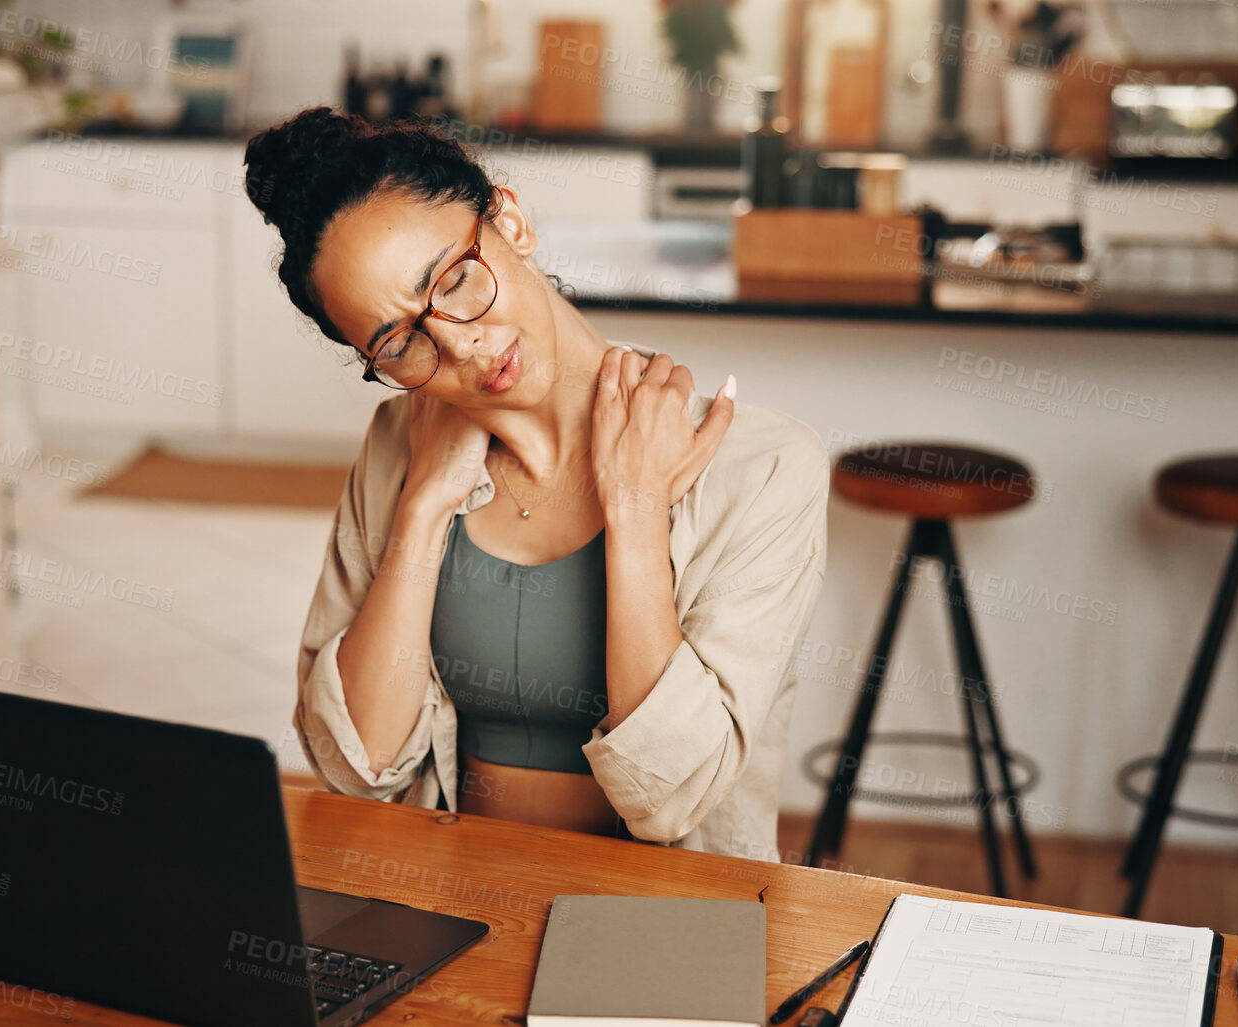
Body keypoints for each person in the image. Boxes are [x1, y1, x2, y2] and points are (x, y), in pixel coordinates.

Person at [244, 107, 829, 861]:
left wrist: (637, 511)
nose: (458, 341)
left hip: (669, 921)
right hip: (445, 897)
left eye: (453, 280)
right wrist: (422, 507)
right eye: (398, 342)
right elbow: (358, 767)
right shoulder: (398, 444)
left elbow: (672, 795)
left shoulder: (765, 463)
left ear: (510, 222)